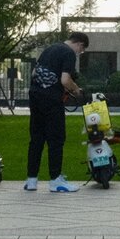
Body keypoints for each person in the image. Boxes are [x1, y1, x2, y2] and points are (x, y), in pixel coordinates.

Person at [24, 31, 87, 192]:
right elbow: (65, 80)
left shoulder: (49, 49)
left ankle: (31, 180)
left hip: (35, 96)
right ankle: (55, 180)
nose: (80, 53)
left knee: (36, 138)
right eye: (82, 50)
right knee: (56, 139)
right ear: (79, 44)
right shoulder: (69, 53)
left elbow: (34, 73)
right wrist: (76, 90)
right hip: (52, 100)